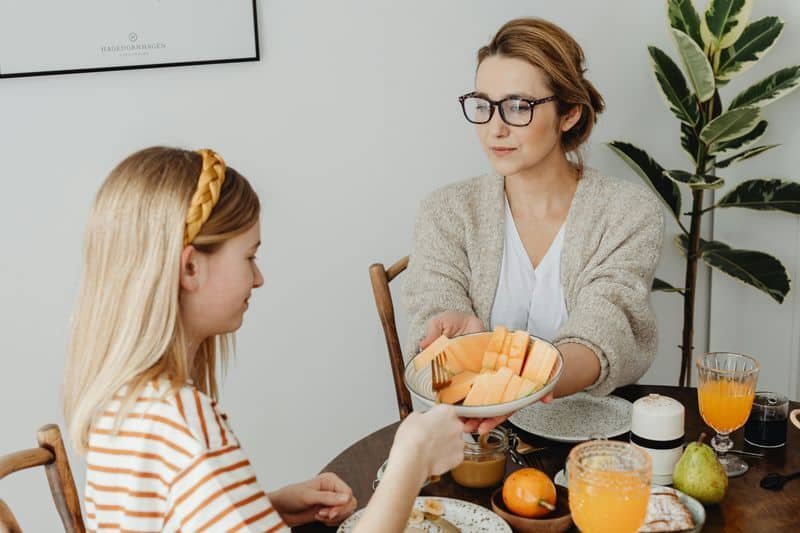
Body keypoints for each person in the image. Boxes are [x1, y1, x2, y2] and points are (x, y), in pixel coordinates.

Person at [63, 147, 464, 532]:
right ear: (190, 268)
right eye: (249, 257)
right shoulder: (181, 419)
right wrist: (409, 464)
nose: (258, 278)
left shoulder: (124, 403)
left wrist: (265, 509)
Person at [402, 18, 664, 433]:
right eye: (483, 105)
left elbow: (607, 327)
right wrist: (457, 337)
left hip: (593, 439)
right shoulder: (446, 211)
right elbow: (432, 320)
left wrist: (528, 377)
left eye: (518, 106)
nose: (495, 128)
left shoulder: (628, 212)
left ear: (569, 113)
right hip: (473, 440)